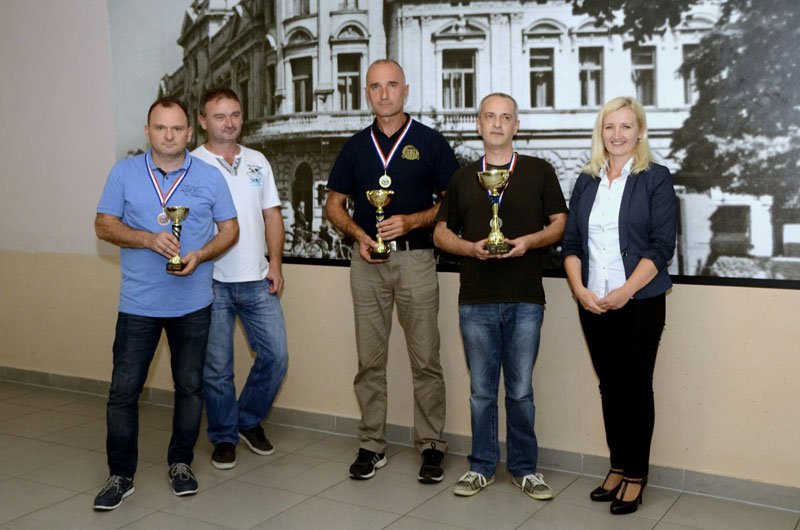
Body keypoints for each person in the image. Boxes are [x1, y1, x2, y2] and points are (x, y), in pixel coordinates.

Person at [94, 97, 239, 510]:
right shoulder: (124, 172)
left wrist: (202, 255)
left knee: (190, 388)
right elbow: (103, 225)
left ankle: (181, 463)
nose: (169, 136)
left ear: (190, 132)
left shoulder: (209, 177)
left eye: (177, 128)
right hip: (138, 304)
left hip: (193, 304)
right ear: (148, 131)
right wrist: (146, 239)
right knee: (123, 392)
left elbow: (230, 229)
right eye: (160, 128)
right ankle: (120, 474)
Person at [324, 59, 459, 483]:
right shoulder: (354, 146)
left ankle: (432, 444)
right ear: (367, 93)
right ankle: (371, 444)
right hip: (366, 264)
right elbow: (333, 205)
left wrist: (412, 221)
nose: (384, 94)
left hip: (416, 259)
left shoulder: (430, 142)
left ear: (406, 90)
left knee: (426, 360)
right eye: (375, 86)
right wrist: (358, 235)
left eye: (392, 85)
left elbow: (453, 202)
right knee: (369, 361)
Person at [433, 93, 567, 499]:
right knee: (481, 392)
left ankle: (525, 469)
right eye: (489, 117)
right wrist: (469, 248)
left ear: (516, 125)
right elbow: (440, 233)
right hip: (476, 300)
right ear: (478, 124)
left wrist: (530, 241)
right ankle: (481, 467)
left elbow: (560, 224)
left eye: (505, 117)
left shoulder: (539, 171)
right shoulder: (462, 177)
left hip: (526, 298)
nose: (497, 124)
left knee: (521, 391)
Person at [561, 96, 677, 515]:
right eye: (610, 126)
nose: (617, 134)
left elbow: (661, 246)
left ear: (640, 132)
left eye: (626, 126)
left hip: (639, 301)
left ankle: (636, 474)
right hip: (592, 301)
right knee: (609, 386)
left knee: (635, 387)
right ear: (601, 132)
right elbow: (571, 244)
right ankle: (617, 465)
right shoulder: (586, 181)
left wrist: (626, 291)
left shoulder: (655, 179)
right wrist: (579, 289)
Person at [192, 87, 289, 470]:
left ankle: (247, 420)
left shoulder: (258, 161)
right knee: (217, 368)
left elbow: (272, 215)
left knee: (276, 357)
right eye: (219, 116)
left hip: (257, 280)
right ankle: (223, 436)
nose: (229, 123)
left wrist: (275, 264)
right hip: (210, 282)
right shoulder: (192, 164)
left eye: (234, 114)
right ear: (203, 121)